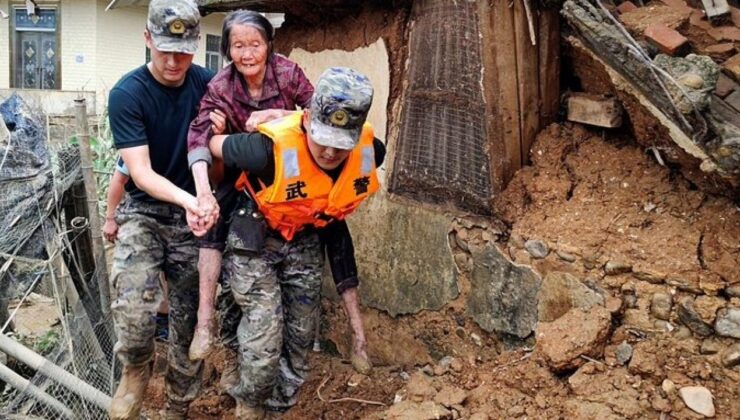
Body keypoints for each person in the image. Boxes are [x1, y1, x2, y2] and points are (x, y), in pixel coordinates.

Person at [209, 67, 384, 418]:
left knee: (302, 339)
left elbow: (337, 232)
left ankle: (279, 408)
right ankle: (249, 404)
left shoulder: (370, 152)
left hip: (304, 238)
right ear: (306, 122)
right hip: (255, 237)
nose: (331, 152)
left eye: (341, 143)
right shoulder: (263, 150)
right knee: (264, 341)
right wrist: (217, 132)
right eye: (323, 139)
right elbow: (214, 145)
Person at [106, 0, 220, 418]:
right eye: (165, 49)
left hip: (197, 217)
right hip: (146, 213)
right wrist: (190, 198)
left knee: (188, 323)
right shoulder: (128, 94)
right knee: (134, 305)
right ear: (147, 39)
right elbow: (140, 171)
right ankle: (136, 368)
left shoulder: (210, 85)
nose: (174, 61)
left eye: (185, 50)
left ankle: (177, 406)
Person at [185, 9, 314, 363]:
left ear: (268, 45)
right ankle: (205, 321)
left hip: (289, 173)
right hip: (242, 174)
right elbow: (197, 137)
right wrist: (203, 191)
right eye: (238, 46)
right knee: (210, 228)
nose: (247, 54)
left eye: (254, 44)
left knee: (329, 228)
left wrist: (276, 116)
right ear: (227, 50)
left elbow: (318, 112)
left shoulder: (287, 72)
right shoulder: (221, 85)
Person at [104, 159, 170, 342]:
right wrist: (110, 217)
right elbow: (120, 179)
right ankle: (156, 323)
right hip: (143, 213)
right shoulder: (136, 145)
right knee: (143, 274)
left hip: (180, 214)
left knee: (171, 274)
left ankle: (166, 320)